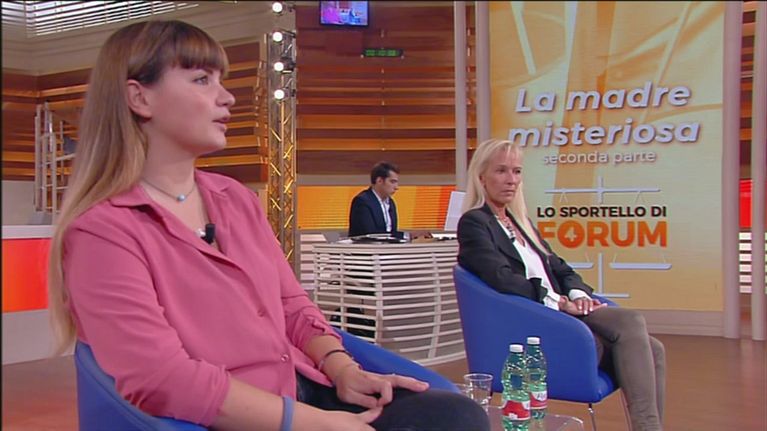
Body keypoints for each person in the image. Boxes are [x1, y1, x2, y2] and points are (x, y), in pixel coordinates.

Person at [47, 20, 489, 431]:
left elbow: (291, 305)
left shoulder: (235, 198)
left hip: (301, 387)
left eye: (220, 80)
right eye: (202, 80)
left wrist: (342, 368)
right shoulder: (102, 231)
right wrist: (319, 424)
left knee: (455, 415)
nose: (227, 97)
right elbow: (162, 377)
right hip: (237, 417)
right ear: (140, 98)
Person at [456, 139, 666, 431]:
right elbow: (501, 278)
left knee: (653, 348)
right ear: (481, 177)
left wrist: (578, 295)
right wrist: (558, 302)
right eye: (501, 171)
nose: (511, 180)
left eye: (517, 171)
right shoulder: (474, 223)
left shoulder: (520, 223)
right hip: (537, 319)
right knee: (632, 323)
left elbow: (561, 269)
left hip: (562, 312)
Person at [348, 162, 402, 238]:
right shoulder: (362, 201)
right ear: (379, 181)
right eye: (392, 182)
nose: (396, 187)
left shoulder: (391, 203)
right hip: (367, 245)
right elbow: (369, 234)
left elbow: (392, 233)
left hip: (387, 245)